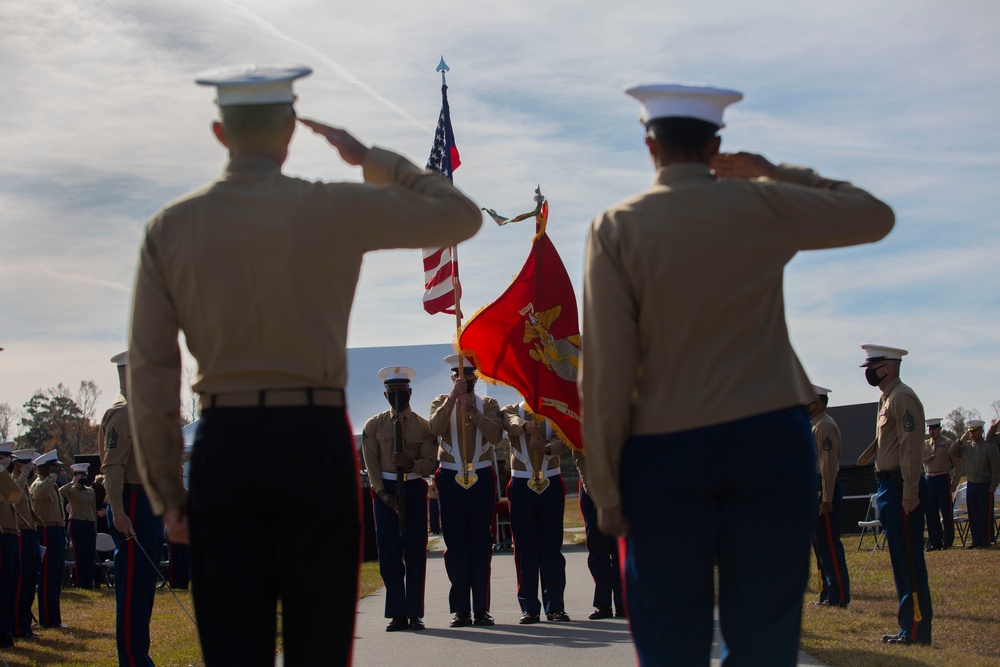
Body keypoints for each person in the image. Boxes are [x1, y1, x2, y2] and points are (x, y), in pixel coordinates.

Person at [126, 64, 482, 667]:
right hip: (313, 442)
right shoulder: (332, 206)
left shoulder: (170, 227)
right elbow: (460, 216)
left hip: (225, 444)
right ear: (291, 131)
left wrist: (166, 489)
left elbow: (151, 372)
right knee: (319, 642)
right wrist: (367, 156)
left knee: (234, 647)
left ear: (220, 133)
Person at [579, 83, 894, 666]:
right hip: (768, 440)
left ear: (651, 145)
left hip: (663, 449)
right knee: (765, 636)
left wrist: (605, 484)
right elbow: (874, 216)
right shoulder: (761, 204)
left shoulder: (615, 227)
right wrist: (775, 172)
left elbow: (605, 371)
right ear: (717, 144)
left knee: (672, 635)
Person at [856, 344, 932, 644]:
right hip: (889, 485)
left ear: (889, 366)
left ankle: (915, 629)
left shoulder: (902, 397)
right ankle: (908, 627)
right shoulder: (887, 398)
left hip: (902, 486)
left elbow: (912, 448)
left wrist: (911, 493)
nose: (870, 373)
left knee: (909, 562)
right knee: (900, 560)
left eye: (873, 367)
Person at [98, 351, 162, 666]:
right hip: (130, 501)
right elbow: (112, 466)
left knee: (144, 589)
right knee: (133, 589)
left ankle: (139, 654)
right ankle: (133, 659)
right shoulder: (122, 414)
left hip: (145, 501)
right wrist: (119, 511)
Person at [429, 354, 503, 628]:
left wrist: (472, 410)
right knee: (457, 544)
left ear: (476, 378)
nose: (466, 381)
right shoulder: (440, 401)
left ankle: (481, 608)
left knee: (481, 543)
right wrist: (452, 399)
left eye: (470, 377)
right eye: (461, 378)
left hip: (481, 473)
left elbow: (496, 435)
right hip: (450, 476)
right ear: (453, 378)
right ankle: (460, 609)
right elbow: (433, 429)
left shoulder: (489, 403)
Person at [362, 366, 437, 631]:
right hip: (385, 493)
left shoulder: (424, 426)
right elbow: (370, 463)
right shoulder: (373, 424)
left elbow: (430, 463)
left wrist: (411, 463)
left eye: (402, 391)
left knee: (415, 552)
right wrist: (382, 493)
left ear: (410, 392)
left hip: (414, 489)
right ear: (385, 395)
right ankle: (397, 612)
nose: (397, 396)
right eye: (392, 392)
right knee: (389, 555)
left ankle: (415, 612)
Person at [501, 401, 569, 624]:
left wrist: (548, 448)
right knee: (524, 549)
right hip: (522, 482)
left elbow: (565, 439)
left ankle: (555, 606)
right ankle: (529, 607)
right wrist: (525, 426)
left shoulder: (556, 408)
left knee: (552, 548)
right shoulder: (512, 410)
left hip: (550, 478)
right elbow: (509, 423)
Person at [809, 385, 850, 607]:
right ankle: (827, 592)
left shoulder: (823, 425)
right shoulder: (814, 425)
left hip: (825, 489)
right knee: (821, 547)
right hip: (815, 489)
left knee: (830, 546)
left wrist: (826, 498)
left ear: (818, 402)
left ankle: (839, 595)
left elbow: (827, 465)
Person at [573, 449, 623, 620]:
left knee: (620, 548)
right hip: (591, 487)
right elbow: (579, 455)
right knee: (598, 549)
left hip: (620, 484)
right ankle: (603, 604)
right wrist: (590, 487)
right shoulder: (584, 421)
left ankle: (623, 603)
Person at [30, 449, 67, 629]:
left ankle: (55, 618)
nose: (58, 471)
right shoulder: (39, 484)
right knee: (47, 576)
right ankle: (46, 619)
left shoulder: (53, 486)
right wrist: (52, 477)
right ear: (47, 469)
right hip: (46, 531)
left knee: (56, 576)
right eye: (55, 467)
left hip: (58, 531)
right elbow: (39, 494)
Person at [949, 419, 1000, 548]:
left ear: (981, 430)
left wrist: (994, 483)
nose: (972, 434)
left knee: (985, 514)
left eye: (975, 431)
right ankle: (976, 540)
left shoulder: (989, 447)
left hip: (985, 484)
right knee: (973, 514)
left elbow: (996, 468)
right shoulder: (965, 447)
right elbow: (951, 452)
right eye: (971, 431)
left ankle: (986, 540)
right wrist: (960, 440)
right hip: (971, 484)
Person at [9, 449, 38, 637]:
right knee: (21, 582)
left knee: (29, 583)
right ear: (18, 466)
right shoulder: (12, 481)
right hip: (20, 534)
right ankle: (18, 626)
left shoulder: (25, 484)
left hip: (31, 533)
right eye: (27, 465)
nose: (31, 468)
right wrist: (24, 474)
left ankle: (25, 624)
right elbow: (12, 497)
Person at [922, 418, 961, 550]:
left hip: (942, 478)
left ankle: (948, 540)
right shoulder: (925, 444)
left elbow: (957, 464)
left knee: (946, 511)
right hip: (929, 479)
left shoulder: (948, 443)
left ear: (939, 429)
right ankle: (935, 541)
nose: (931, 431)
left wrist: (954, 483)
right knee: (931, 512)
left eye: (934, 428)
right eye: (929, 429)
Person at [61, 462, 98, 588]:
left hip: (89, 523)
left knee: (90, 554)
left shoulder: (90, 491)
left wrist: (95, 528)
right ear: (76, 475)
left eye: (85, 475)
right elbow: (60, 492)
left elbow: (93, 509)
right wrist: (72, 482)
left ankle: (88, 583)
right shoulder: (71, 490)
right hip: (76, 522)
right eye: (80, 475)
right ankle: (79, 582)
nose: (83, 477)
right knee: (80, 553)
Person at [0, 442, 23, 648]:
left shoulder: (4, 480)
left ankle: (5, 632)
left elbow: (16, 496)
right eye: (6, 458)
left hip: (10, 538)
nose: (10, 462)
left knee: (9, 588)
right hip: (1, 539)